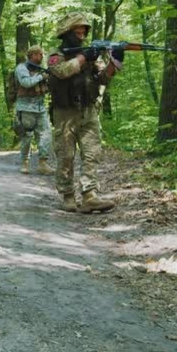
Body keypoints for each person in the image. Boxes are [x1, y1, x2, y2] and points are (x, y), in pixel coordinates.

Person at [46, 12, 121, 213]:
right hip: (65, 113)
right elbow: (61, 71)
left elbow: (103, 78)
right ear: (67, 34)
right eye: (77, 32)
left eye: (83, 32)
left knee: (92, 153)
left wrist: (115, 63)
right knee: (66, 155)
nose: (81, 36)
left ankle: (89, 195)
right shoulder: (56, 55)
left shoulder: (90, 55)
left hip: (88, 111)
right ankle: (68, 195)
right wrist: (82, 57)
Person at [13, 45, 53, 175]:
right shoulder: (21, 68)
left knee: (46, 134)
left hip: (41, 108)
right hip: (25, 108)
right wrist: (42, 77)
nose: (41, 57)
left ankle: (43, 163)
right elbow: (26, 83)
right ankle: (24, 162)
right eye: (39, 54)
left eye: (42, 54)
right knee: (27, 137)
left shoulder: (40, 70)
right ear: (32, 55)